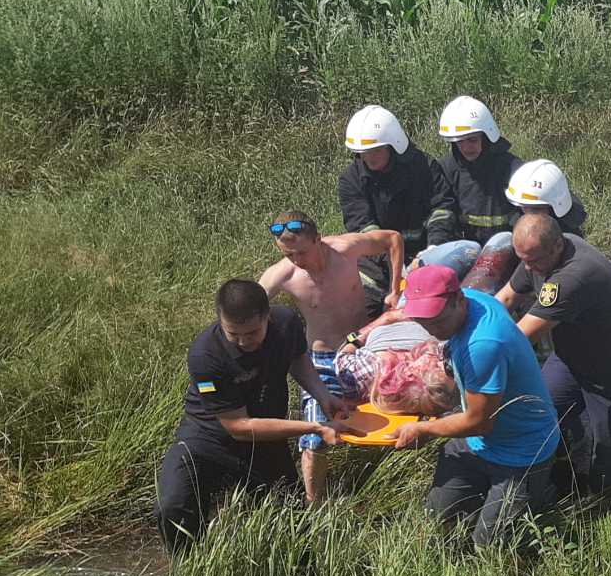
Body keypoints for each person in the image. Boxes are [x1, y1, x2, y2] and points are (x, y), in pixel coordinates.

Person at [155, 280, 348, 554]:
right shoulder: (205, 355)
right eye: (234, 334)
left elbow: (297, 359)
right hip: (207, 438)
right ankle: (188, 569)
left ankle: (295, 572)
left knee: (291, 517)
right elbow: (239, 427)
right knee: (173, 506)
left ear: (267, 315)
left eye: (252, 332)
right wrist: (315, 428)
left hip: (265, 436)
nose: (244, 341)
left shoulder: (286, 322)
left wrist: (323, 396)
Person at [496, 210, 611, 500]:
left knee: (609, 451)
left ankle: (605, 509)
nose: (528, 268)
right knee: (538, 410)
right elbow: (506, 298)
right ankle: (566, 472)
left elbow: (518, 339)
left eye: (534, 261)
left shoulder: (576, 276)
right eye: (522, 259)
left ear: (558, 246)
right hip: (573, 357)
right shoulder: (536, 254)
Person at [390, 265, 562, 548]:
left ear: (458, 300)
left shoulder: (483, 344)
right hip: (478, 443)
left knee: (491, 546)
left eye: (437, 321)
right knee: (437, 520)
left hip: (521, 452)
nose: (432, 330)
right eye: (423, 322)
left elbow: (480, 421)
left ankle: (542, 496)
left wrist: (424, 429)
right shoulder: (473, 298)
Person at [258, 212, 404, 503]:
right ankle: (315, 506)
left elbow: (392, 238)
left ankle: (398, 476)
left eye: (302, 251)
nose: (297, 259)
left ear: (318, 239)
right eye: (289, 253)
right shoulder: (282, 274)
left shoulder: (345, 249)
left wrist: (394, 291)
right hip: (322, 360)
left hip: (367, 347)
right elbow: (249, 306)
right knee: (315, 438)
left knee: (408, 401)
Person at [337, 104, 452, 317]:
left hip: (425, 252)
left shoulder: (424, 168)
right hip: (376, 260)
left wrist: (434, 248)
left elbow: (441, 210)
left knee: (435, 308)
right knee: (365, 307)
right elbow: (363, 227)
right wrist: (396, 271)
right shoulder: (351, 180)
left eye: (376, 150)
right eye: (364, 152)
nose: (370, 157)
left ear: (394, 145)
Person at [429, 96, 589, 248]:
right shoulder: (446, 170)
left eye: (472, 140)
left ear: (487, 136)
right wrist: (435, 246)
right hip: (464, 251)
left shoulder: (511, 168)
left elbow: (550, 201)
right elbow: (442, 211)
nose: (465, 148)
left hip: (510, 249)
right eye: (459, 142)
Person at [503, 157, 590, 241]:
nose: (526, 213)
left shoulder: (570, 243)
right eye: (522, 206)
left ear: (556, 207)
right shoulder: (515, 224)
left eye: (535, 209)